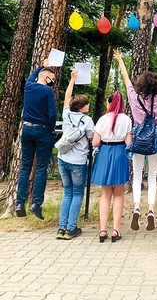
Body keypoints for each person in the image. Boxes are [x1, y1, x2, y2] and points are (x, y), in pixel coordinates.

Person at [114, 49, 157, 231]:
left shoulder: (134, 99)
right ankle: (150, 209)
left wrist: (120, 60)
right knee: (152, 177)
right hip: (154, 141)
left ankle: (136, 207)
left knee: (136, 176)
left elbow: (126, 80)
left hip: (138, 140)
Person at [15, 59, 57, 220]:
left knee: (25, 167)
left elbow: (33, 75)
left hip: (26, 129)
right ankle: (36, 203)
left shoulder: (28, 87)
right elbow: (52, 114)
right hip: (42, 130)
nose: (52, 82)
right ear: (47, 79)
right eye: (52, 79)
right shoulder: (47, 92)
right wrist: (50, 128)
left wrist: (42, 65)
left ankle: (20, 202)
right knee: (40, 167)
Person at [57, 69, 94, 240]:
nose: (88, 106)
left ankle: (61, 227)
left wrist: (72, 80)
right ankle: (71, 228)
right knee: (78, 193)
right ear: (82, 107)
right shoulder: (87, 120)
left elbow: (66, 97)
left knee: (67, 193)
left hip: (62, 158)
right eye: (87, 104)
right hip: (78, 161)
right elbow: (92, 139)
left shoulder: (66, 114)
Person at [91, 91, 132, 242]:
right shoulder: (126, 119)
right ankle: (116, 230)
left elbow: (95, 142)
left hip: (105, 153)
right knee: (119, 193)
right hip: (120, 152)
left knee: (105, 193)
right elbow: (129, 143)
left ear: (109, 103)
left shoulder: (102, 119)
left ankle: (102, 230)